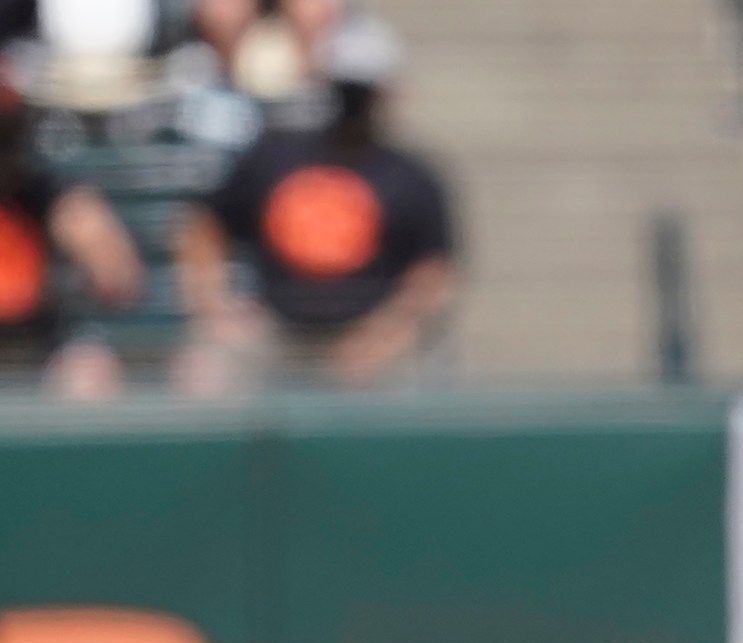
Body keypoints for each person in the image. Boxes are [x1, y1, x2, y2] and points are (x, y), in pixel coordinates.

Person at [174, 15, 455, 392]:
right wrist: (216, 306)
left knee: (419, 369)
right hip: (279, 334)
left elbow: (435, 272)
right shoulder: (274, 156)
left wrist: (384, 335)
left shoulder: (413, 175)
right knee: (206, 367)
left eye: (361, 91)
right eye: (346, 90)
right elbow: (202, 228)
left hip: (375, 335)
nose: (352, 104)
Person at [0, 77, 144, 395]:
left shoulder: (42, 192)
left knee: (90, 373)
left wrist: (92, 236)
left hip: (34, 351)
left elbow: (120, 280)